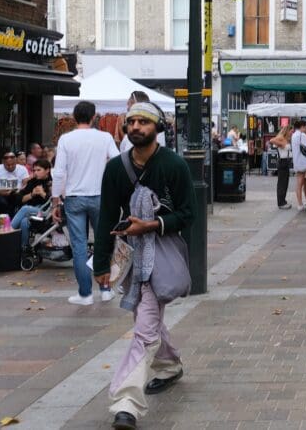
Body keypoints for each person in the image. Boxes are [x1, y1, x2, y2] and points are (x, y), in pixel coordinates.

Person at [93, 101, 196, 430]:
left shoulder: (175, 166)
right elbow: (108, 215)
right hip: (132, 255)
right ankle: (168, 366)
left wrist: (151, 225)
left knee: (144, 329)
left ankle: (126, 402)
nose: (136, 126)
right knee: (145, 319)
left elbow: (188, 215)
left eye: (144, 121)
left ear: (158, 128)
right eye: (131, 121)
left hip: (161, 252)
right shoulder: (115, 169)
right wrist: (101, 264)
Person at [52, 100, 120, 306]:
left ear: (74, 117)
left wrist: (56, 199)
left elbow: (59, 172)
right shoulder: (104, 137)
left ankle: (85, 293)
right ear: (93, 117)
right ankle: (106, 288)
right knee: (104, 243)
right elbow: (117, 162)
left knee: (79, 246)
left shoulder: (66, 139)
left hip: (74, 197)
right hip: (100, 196)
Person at [10, 159, 53, 249]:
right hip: (33, 211)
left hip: (47, 212)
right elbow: (19, 199)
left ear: (47, 170)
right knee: (24, 221)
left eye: (39, 170)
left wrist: (42, 193)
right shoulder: (33, 181)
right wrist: (32, 194)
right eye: (34, 170)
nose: (36, 173)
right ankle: (24, 248)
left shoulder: (52, 182)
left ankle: (8, 232)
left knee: (25, 208)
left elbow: (53, 201)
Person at [0, 151, 31, 215]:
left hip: (16, 193)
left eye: (13, 164)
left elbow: (26, 185)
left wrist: (17, 190)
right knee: (0, 202)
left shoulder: (22, 169)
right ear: (3, 162)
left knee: (18, 200)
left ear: (16, 161)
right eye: (7, 165)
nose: (10, 167)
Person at [269, 124, 294, 209]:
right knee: (282, 183)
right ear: (287, 131)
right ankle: (281, 203)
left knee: (285, 183)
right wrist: (281, 144)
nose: (292, 133)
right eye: (291, 131)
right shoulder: (281, 137)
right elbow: (271, 140)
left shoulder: (287, 139)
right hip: (283, 162)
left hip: (286, 162)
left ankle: (283, 201)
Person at [290, 120, 306, 209]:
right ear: (302, 126)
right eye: (305, 127)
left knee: (299, 183)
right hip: (305, 162)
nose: (305, 128)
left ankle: (300, 204)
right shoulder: (302, 135)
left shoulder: (294, 135)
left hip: (297, 161)